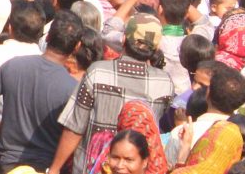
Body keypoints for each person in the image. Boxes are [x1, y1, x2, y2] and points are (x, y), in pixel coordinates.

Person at [50, 13, 175, 174]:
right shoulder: (165, 83)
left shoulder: (98, 72)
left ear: (123, 39)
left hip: (91, 168)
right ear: (156, 48)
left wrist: (54, 169)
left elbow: (74, 127)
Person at [0, 11, 83, 172]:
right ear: (77, 46)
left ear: (46, 37)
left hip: (9, 161)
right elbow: (74, 132)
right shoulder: (72, 87)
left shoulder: (14, 65)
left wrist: (1, 129)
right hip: (46, 165)